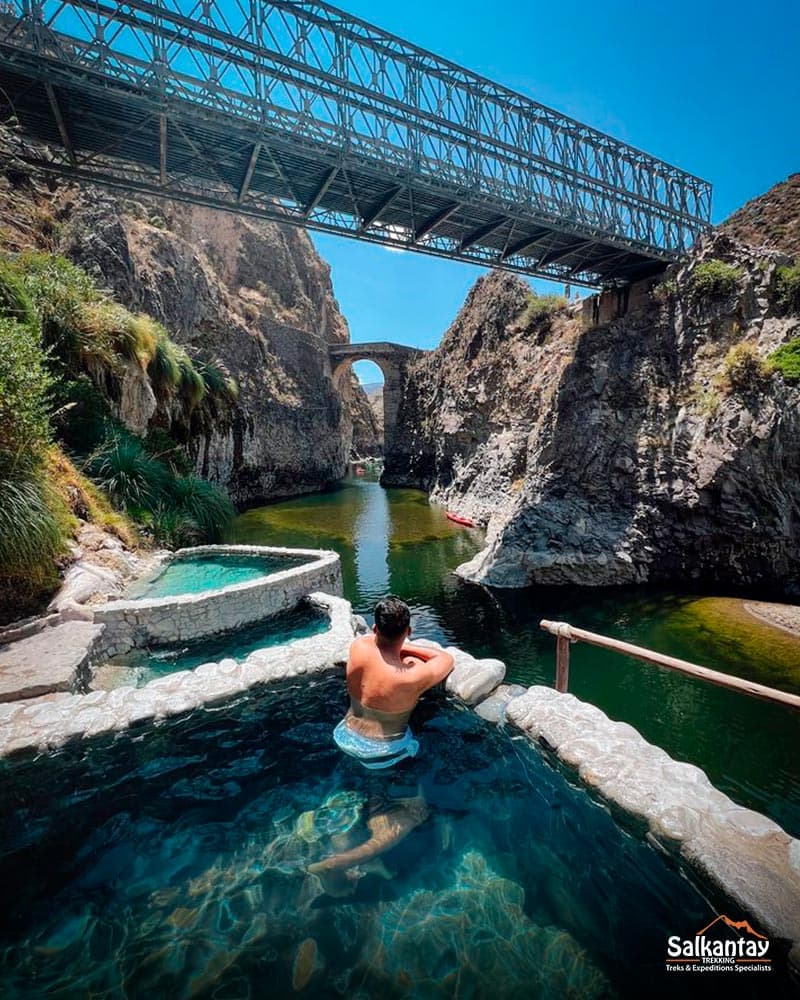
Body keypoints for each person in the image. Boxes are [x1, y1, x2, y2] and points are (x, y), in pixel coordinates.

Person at [332, 595, 455, 769]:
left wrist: (391, 642)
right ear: (409, 632)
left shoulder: (358, 646)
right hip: (385, 751)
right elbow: (445, 658)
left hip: (345, 734)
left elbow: (371, 642)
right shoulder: (411, 677)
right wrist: (403, 645)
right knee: (411, 793)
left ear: (375, 629)